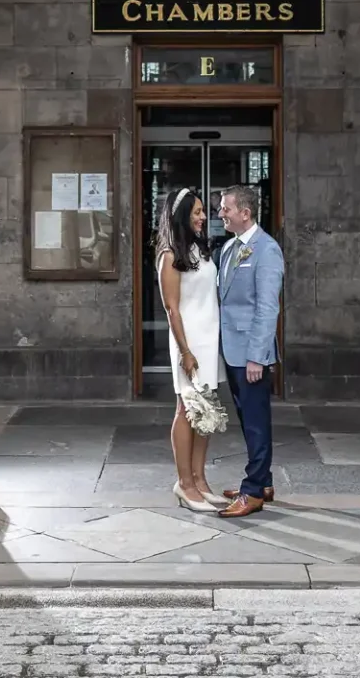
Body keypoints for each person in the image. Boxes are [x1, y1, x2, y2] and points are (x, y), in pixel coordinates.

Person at [214, 184, 283, 517]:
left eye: (225, 208)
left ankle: (253, 492)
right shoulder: (229, 248)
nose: (220, 213)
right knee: (247, 418)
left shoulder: (266, 250)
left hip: (251, 354)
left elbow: (268, 307)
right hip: (232, 349)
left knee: (256, 422)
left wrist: (258, 355)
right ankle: (264, 480)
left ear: (245, 212)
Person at [155, 186, 225, 511]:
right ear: (182, 215)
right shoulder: (169, 256)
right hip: (189, 342)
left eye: (202, 211)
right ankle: (184, 484)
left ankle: (200, 479)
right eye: (196, 212)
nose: (202, 217)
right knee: (187, 410)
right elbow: (172, 309)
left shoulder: (200, 250)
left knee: (206, 412)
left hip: (209, 340)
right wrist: (185, 351)